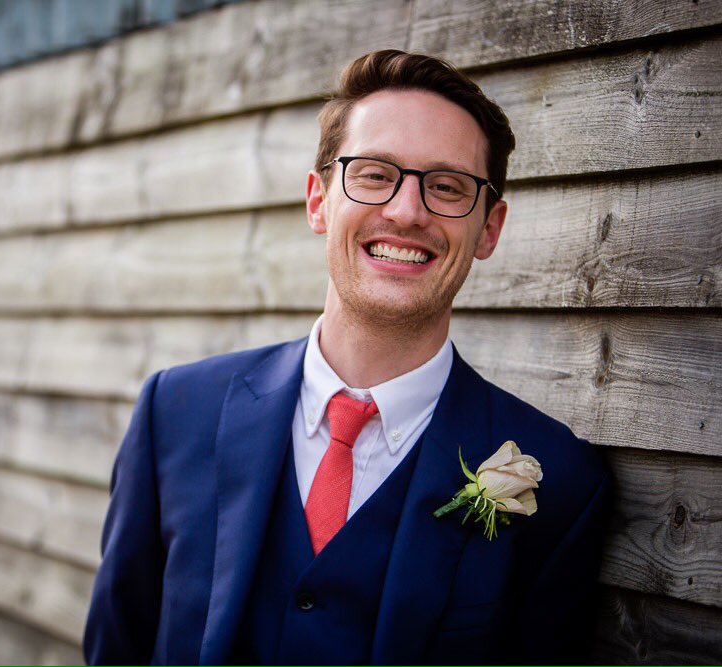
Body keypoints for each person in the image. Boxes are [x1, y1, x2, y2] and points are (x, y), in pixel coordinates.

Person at [83, 49, 611, 665]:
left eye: (447, 186)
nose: (407, 211)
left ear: (489, 228)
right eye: (373, 174)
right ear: (318, 201)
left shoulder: (565, 482)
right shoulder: (173, 412)